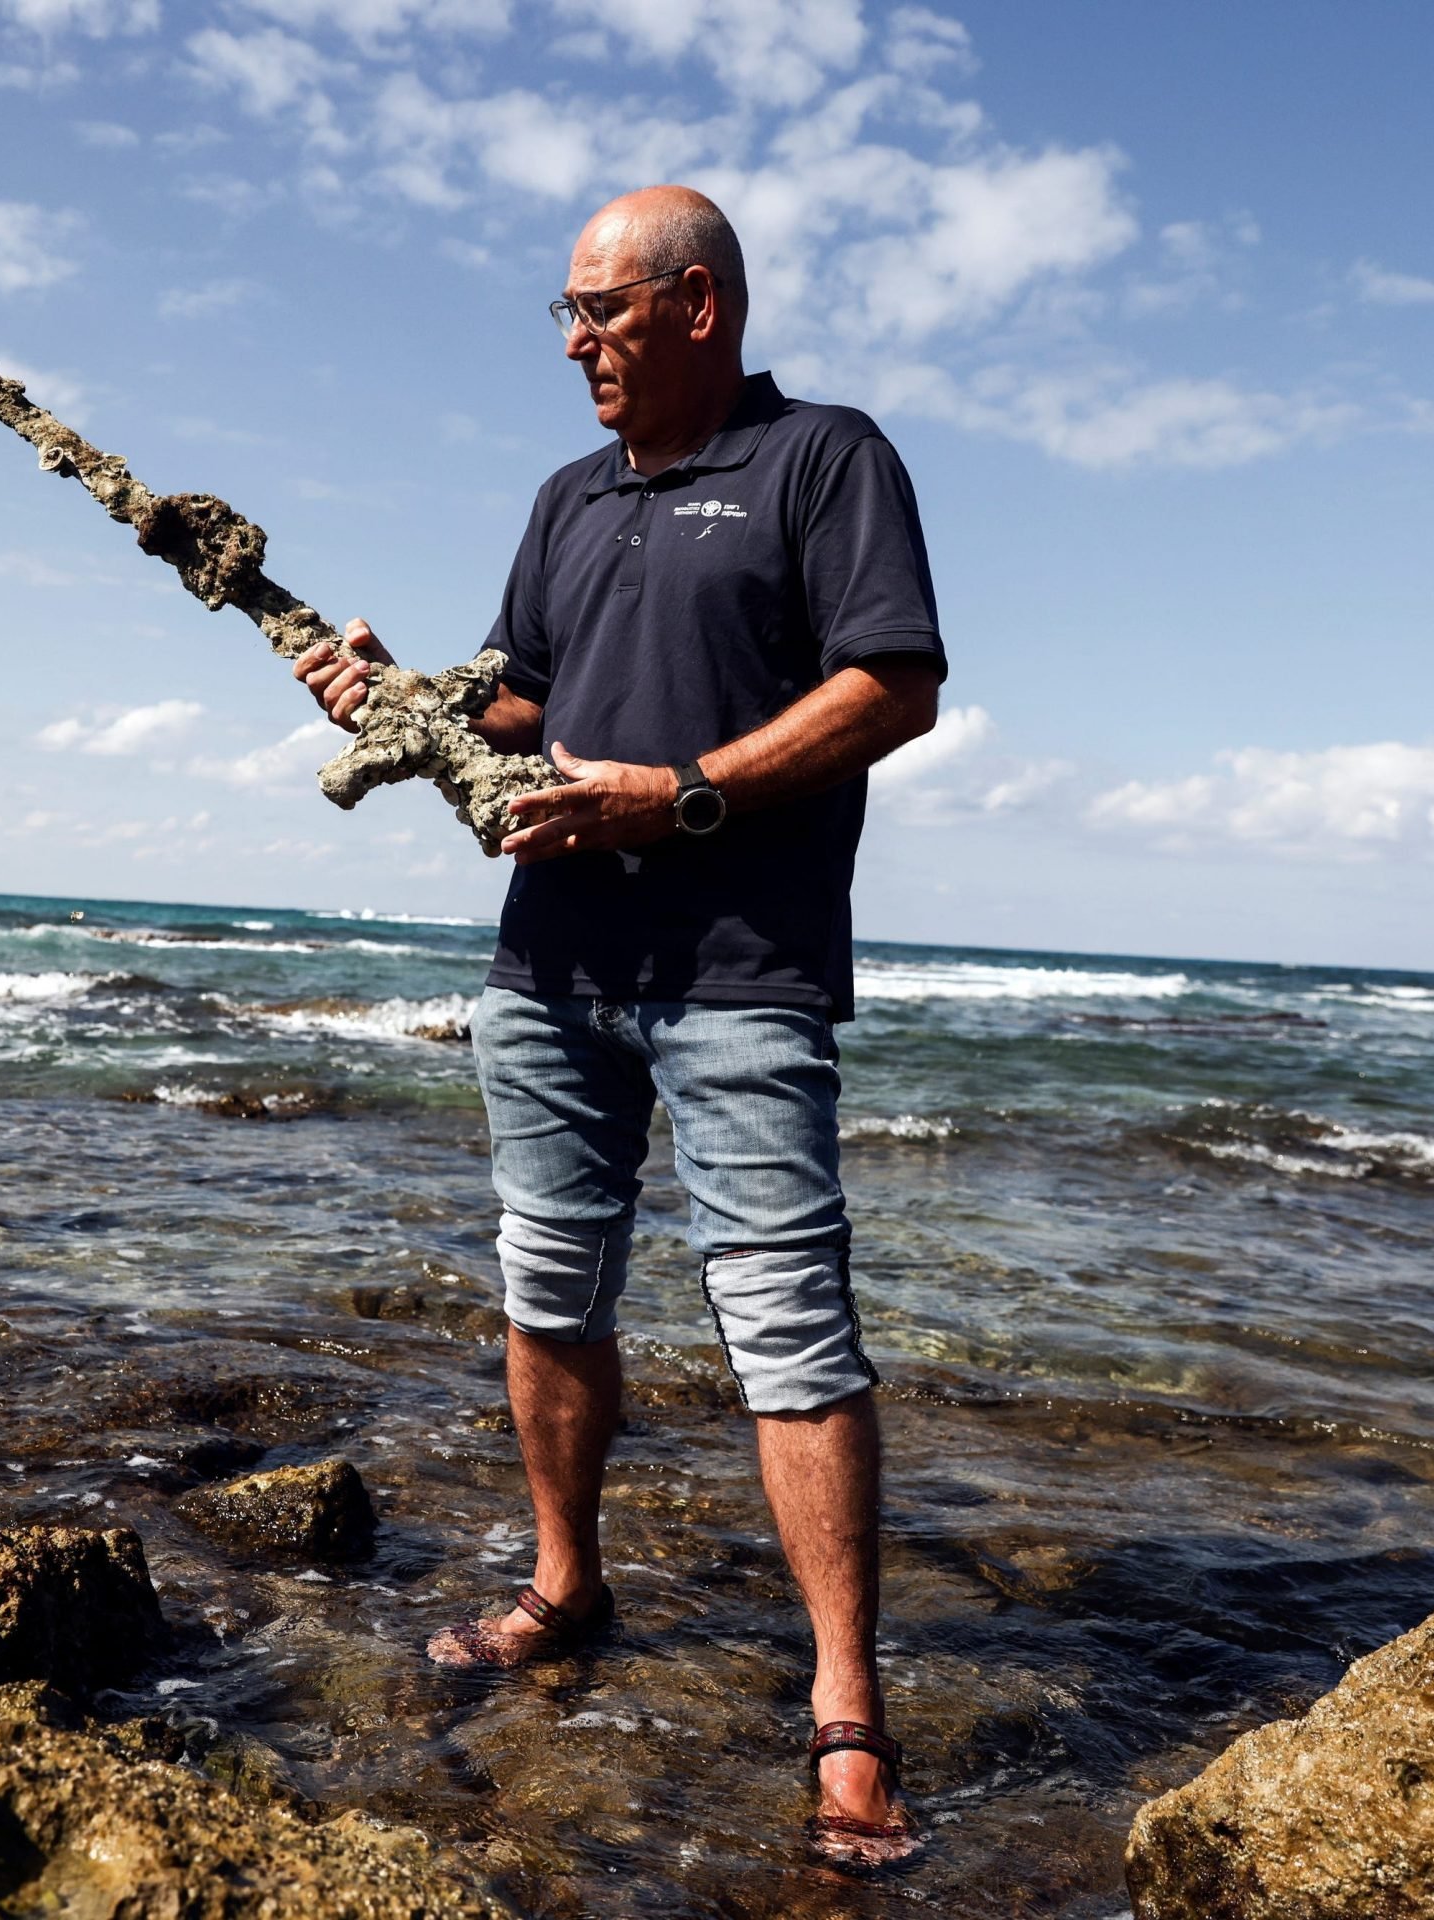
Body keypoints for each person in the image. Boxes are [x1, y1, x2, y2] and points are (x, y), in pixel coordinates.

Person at [294, 185, 946, 1870]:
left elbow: (894, 681)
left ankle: (849, 1708)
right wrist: (404, 692)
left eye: (598, 310)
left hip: (745, 972)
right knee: (547, 1283)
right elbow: (521, 696)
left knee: (788, 1325)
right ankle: (567, 1586)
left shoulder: (825, 461)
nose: (574, 342)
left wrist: (688, 798)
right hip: (551, 971)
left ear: (699, 307)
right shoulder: (567, 497)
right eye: (569, 315)